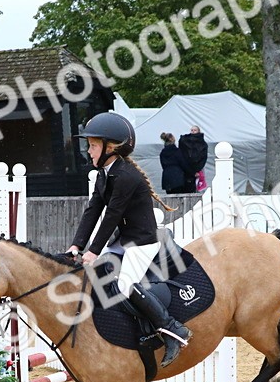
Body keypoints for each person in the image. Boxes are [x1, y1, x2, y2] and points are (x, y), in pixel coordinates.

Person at [67, 112, 191, 368]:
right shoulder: (105, 173)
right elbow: (93, 210)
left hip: (143, 242)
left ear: (110, 148)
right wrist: (76, 245)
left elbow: (112, 215)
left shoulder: (125, 177)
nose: (88, 151)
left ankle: (173, 329)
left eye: (93, 145)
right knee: (97, 278)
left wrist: (93, 251)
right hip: (124, 241)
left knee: (125, 287)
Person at [178, 125, 207, 191]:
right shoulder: (185, 141)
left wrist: (197, 169)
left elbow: (203, 157)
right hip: (186, 169)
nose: (193, 132)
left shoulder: (202, 143)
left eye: (195, 130)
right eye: (192, 130)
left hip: (197, 168)